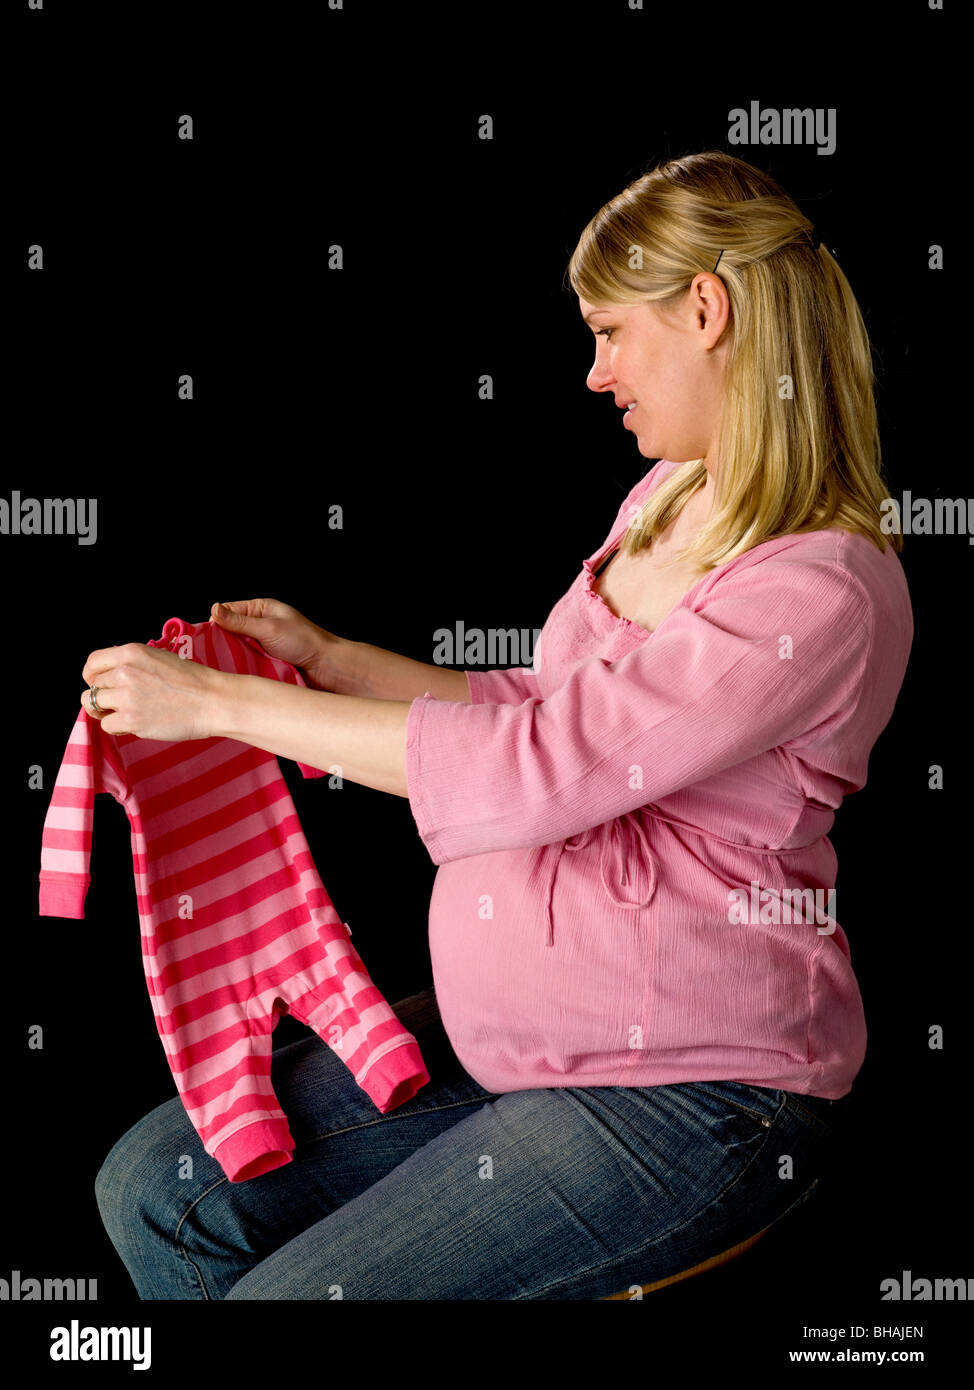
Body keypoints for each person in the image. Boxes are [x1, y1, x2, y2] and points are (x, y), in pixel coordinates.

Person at [89, 149, 912, 1300]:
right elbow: (547, 708)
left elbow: (544, 773)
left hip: (692, 1091)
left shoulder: (817, 587)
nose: (593, 373)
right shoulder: (667, 497)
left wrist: (225, 709)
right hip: (523, 1040)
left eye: (608, 333)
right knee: (157, 1188)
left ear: (706, 310)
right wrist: (334, 665)